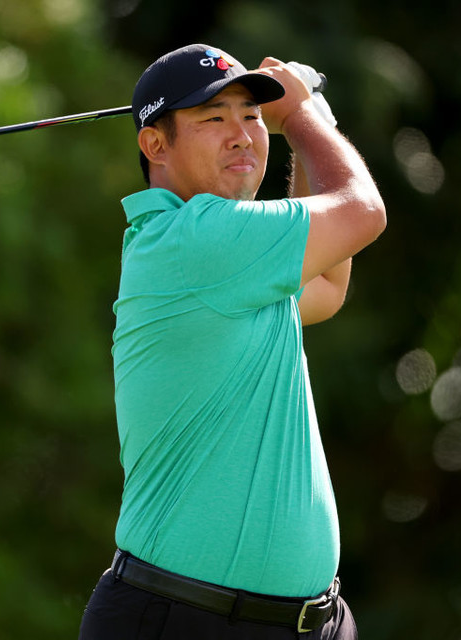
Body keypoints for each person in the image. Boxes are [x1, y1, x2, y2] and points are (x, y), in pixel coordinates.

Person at [79, 43, 386, 640]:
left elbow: (327, 284)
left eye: (252, 115)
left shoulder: (237, 256)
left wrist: (307, 121)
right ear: (155, 145)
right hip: (184, 619)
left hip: (310, 622)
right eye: (214, 117)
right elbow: (363, 213)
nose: (243, 134)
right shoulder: (197, 239)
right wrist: (302, 115)